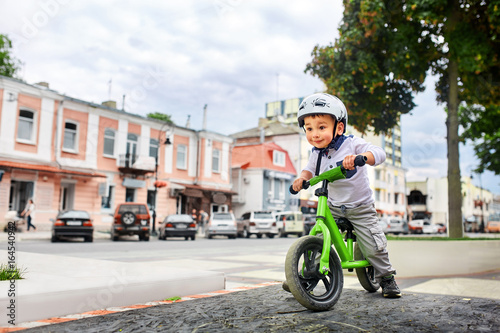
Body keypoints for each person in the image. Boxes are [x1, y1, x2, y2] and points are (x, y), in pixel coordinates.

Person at [290, 93, 401, 298]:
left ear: (339, 127)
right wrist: (301, 179)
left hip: (360, 207)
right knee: (318, 238)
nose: (315, 134)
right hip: (332, 206)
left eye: (321, 127)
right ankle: (306, 277)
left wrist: (361, 158)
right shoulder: (316, 153)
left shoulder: (351, 144)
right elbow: (308, 171)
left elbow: (379, 153)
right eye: (309, 128)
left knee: (373, 245)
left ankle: (387, 277)